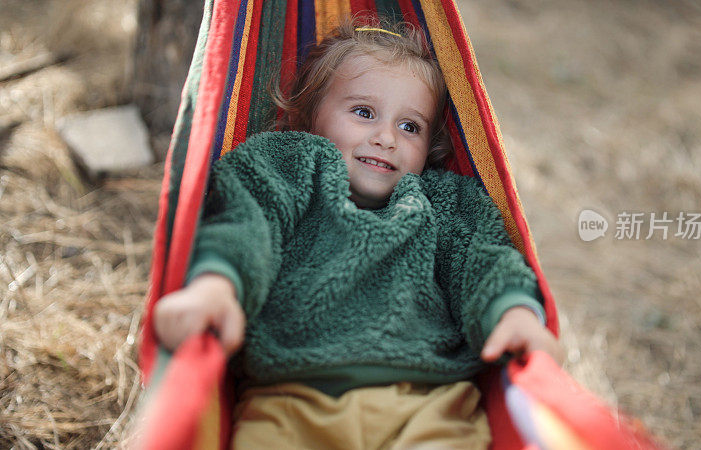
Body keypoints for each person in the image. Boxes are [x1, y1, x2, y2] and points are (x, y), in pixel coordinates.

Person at [153, 17, 564, 449]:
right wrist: (216, 286)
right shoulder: (288, 167)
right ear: (308, 115)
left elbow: (482, 258)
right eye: (364, 112)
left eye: (410, 126)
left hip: (427, 403)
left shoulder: (443, 199)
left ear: (432, 144)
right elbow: (246, 223)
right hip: (290, 400)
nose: (386, 137)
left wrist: (514, 312)